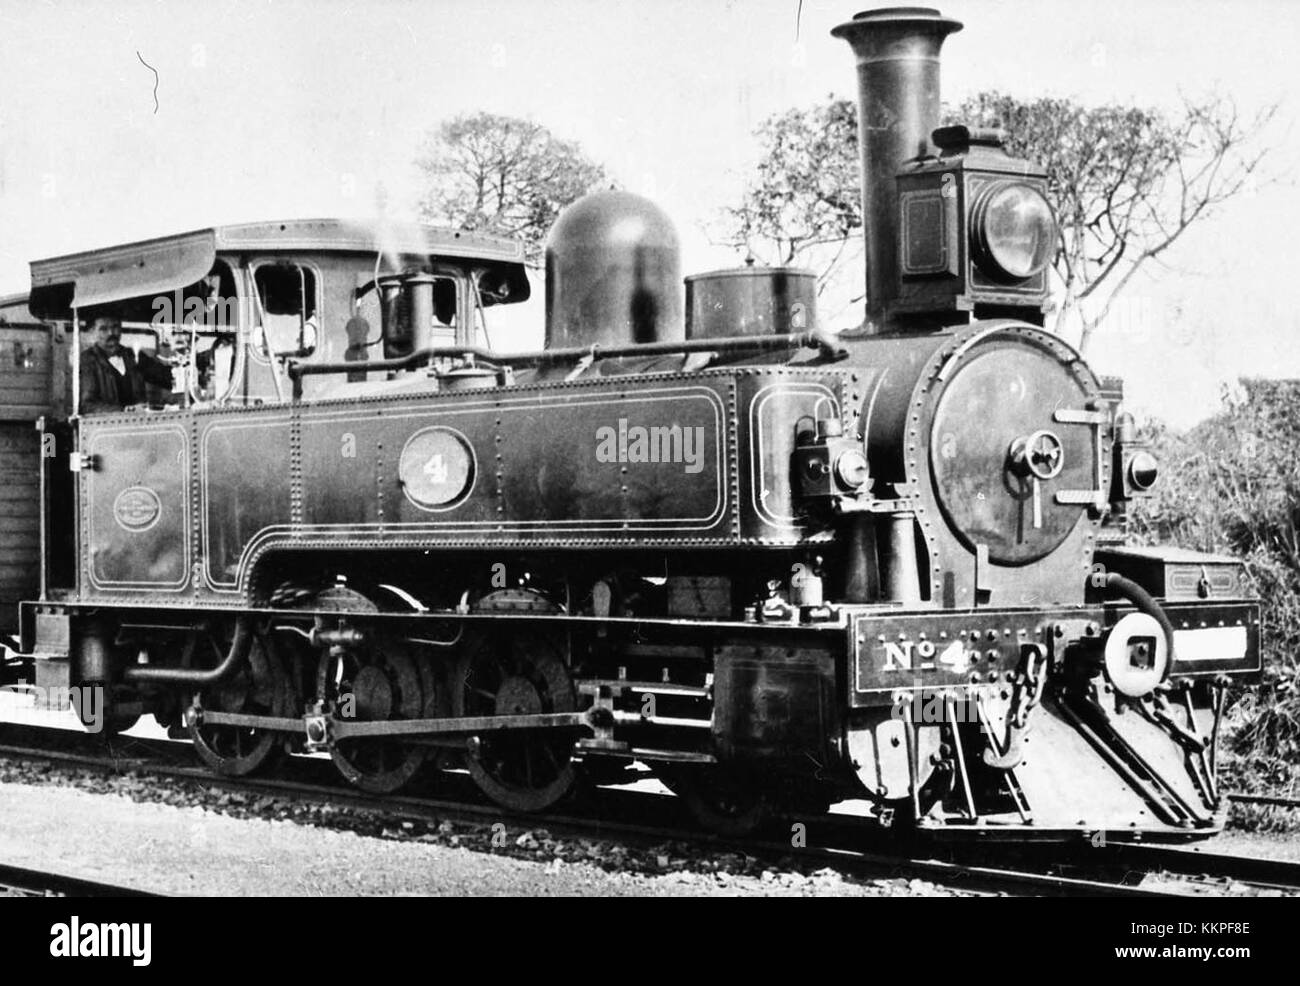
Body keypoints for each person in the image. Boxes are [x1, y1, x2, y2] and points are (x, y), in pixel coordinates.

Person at [79, 315, 175, 414]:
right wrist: (124, 411)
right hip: (106, 426)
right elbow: (87, 405)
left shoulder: (133, 355)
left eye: (115, 327)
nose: (111, 333)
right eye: (103, 329)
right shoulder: (88, 360)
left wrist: (186, 374)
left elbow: (165, 376)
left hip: (137, 423)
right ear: (92, 332)